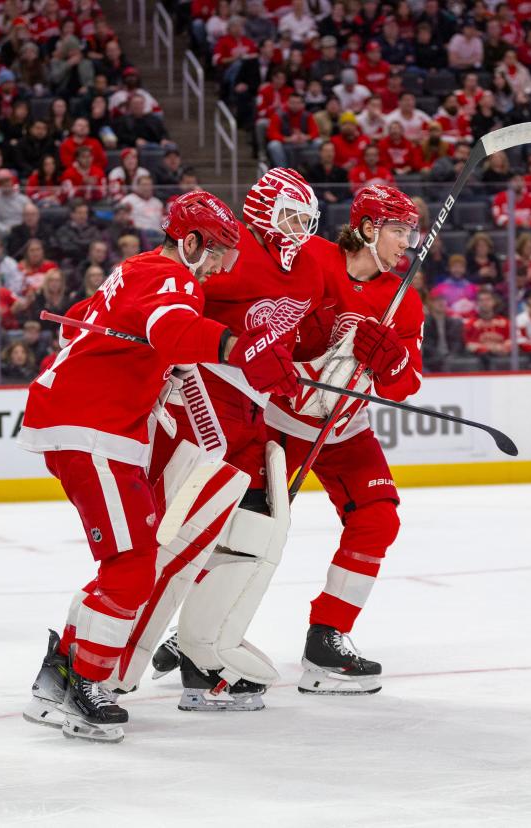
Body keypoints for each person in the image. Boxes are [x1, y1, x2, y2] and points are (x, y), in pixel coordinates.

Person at [17, 192, 291, 742]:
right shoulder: (174, 279)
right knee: (133, 565)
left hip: (90, 428)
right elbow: (172, 331)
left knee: (128, 561)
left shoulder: (134, 270)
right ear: (188, 242)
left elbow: (81, 327)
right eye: (214, 253)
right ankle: (86, 686)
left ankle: (61, 675)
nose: (217, 267)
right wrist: (238, 346)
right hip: (94, 430)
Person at [134, 169, 330, 712]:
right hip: (206, 398)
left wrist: (342, 345)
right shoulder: (230, 253)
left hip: (254, 409)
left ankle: (201, 647)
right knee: (198, 521)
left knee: (255, 525)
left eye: (306, 218)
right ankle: (141, 656)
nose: (300, 227)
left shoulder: (311, 263)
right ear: (265, 208)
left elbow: (307, 330)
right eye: (291, 215)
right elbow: (171, 315)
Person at [250, 185, 424, 694]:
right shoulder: (312, 258)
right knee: (247, 528)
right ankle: (193, 630)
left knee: (378, 517)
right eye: (397, 230)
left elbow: (407, 381)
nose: (405, 243)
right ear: (368, 228)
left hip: (347, 431)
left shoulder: (403, 298)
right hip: (282, 423)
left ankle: (328, 637)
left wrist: (391, 362)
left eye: (409, 232)